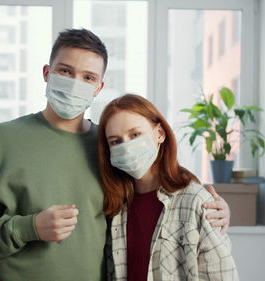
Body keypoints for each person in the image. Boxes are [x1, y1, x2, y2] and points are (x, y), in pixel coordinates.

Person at [0, 28, 231, 281]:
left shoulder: (112, 147)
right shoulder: (3, 139)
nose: (74, 82)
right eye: (65, 71)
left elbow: (153, 198)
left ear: (98, 88)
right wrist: (27, 227)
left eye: (88, 77)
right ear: (47, 73)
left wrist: (211, 211)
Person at [98, 94, 239, 281]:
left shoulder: (197, 202)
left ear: (160, 134)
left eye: (135, 135)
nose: (127, 147)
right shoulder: (114, 205)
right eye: (116, 141)